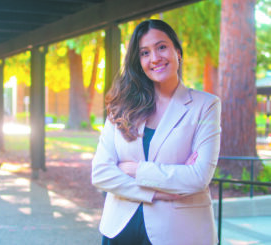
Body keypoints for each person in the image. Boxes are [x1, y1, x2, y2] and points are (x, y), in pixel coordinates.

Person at [92, 19, 221, 245]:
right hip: (120, 228)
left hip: (178, 232)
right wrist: (157, 193)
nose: (154, 58)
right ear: (138, 60)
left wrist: (135, 170)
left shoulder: (206, 105)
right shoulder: (121, 104)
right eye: (144, 52)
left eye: (161, 47)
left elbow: (199, 177)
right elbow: (101, 173)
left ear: (177, 52)